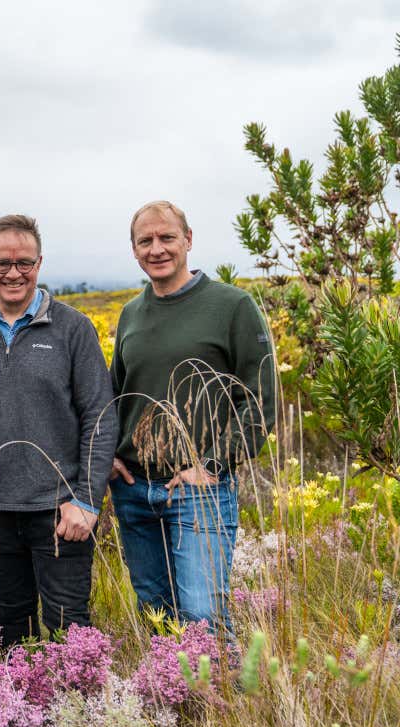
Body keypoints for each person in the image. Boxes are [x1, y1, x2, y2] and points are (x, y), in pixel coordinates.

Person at [0, 214, 115, 648]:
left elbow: (100, 416)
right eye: (2, 263)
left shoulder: (73, 329)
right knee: (13, 627)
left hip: (61, 513)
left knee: (68, 628)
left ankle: (74, 715)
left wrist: (87, 500)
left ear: (40, 263)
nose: (13, 273)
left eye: (24, 262)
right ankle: (22, 715)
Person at [110, 200, 275, 637]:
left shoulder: (232, 306)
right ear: (134, 249)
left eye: (166, 237)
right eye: (145, 240)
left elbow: (259, 400)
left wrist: (213, 464)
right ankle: (174, 706)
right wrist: (109, 456)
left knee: (203, 619)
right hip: (133, 492)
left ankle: (226, 705)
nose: (157, 248)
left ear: (188, 240)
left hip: (199, 490)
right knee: (156, 616)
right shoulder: (130, 314)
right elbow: (115, 395)